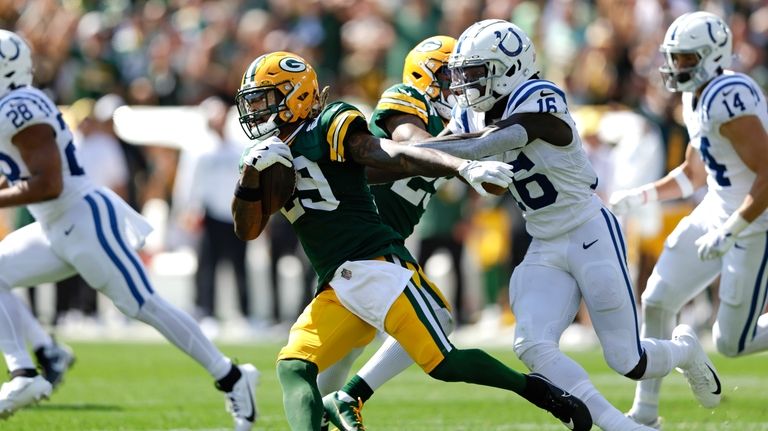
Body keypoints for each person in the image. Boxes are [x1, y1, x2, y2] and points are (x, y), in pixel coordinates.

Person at [330, 19, 721, 431]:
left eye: (475, 72)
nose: (465, 84)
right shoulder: (472, 109)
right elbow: (429, 157)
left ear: (509, 67)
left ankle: (685, 351)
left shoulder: (540, 95)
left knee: (628, 360)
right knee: (531, 344)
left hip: (589, 230)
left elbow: (483, 143)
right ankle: (619, 426)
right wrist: (352, 173)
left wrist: (415, 151)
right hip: (544, 239)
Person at [231, 50, 592, 431]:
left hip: (379, 267)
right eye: (252, 101)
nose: (255, 110)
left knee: (444, 364)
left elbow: (389, 153)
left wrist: (464, 165)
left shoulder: (329, 122)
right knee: (293, 367)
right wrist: (248, 179)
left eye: (262, 99)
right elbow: (247, 229)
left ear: (296, 95)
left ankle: (537, 391)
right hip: (337, 282)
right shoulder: (260, 155)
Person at [0, 30, 258, 430]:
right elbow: (19, 177)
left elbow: (48, 182)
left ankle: (233, 376)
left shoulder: (19, 105)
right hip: (53, 223)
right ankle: (24, 374)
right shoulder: (10, 104)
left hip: (81, 216)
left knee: (143, 305)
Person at [609, 12, 768, 428]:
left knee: (733, 342)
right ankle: (645, 412)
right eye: (674, 57)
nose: (675, 66)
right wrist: (642, 195)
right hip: (716, 210)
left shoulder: (728, 95)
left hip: (754, 222)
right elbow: (695, 173)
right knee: (656, 300)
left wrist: (731, 228)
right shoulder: (694, 94)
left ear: (712, 56)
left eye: (685, 58)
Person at [316, 35, 464, 428]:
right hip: (361, 235)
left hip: (383, 241)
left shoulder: (456, 122)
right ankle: (345, 399)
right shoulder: (405, 100)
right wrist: (470, 149)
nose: (459, 84)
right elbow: (410, 143)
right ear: (423, 74)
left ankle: (329, 407)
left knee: (345, 346)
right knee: (435, 317)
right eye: (450, 74)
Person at [178, 96, 250, 332]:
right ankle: (206, 311)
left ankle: (245, 314)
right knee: (208, 265)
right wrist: (187, 208)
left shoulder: (237, 146)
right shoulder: (198, 149)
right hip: (209, 214)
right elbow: (187, 182)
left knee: (239, 264)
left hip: (235, 214)